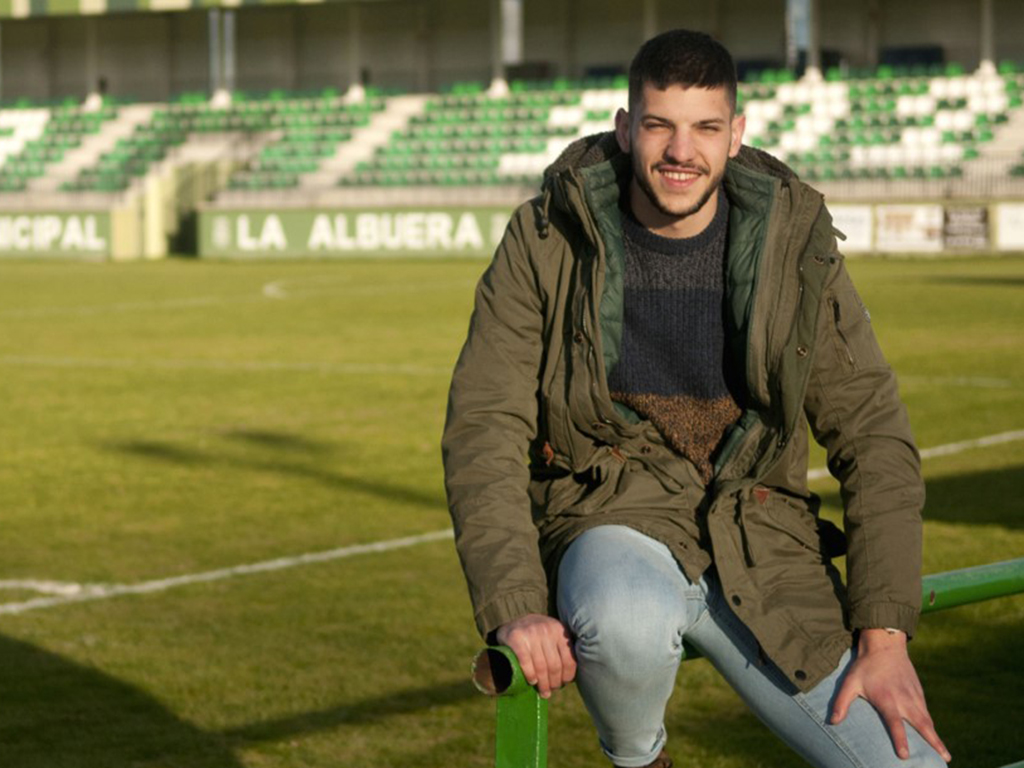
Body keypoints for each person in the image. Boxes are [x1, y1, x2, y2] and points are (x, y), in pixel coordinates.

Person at [442, 29, 950, 768]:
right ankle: (643, 760)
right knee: (622, 618)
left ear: (736, 134)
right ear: (626, 128)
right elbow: (485, 425)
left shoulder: (793, 241)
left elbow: (872, 434)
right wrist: (515, 605)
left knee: (912, 765)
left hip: (762, 542)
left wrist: (884, 635)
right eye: (660, 125)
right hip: (611, 519)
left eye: (706, 127)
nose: (682, 151)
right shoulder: (548, 237)